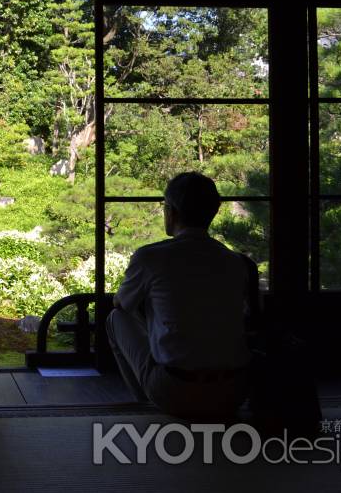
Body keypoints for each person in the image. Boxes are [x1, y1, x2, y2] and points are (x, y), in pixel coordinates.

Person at [105, 172, 256, 420]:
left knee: (116, 318)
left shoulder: (151, 257)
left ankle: (145, 402)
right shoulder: (234, 261)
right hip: (234, 392)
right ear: (215, 212)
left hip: (177, 392)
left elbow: (121, 304)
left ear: (171, 211)